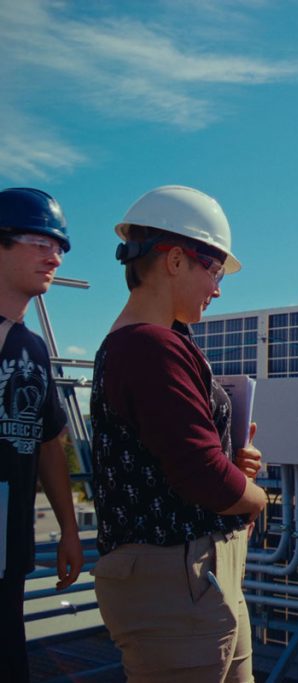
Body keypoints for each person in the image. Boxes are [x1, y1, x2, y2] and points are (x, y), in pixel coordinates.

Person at [90, 185, 267, 683]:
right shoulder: (149, 347)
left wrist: (234, 468)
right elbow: (200, 475)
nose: (217, 288)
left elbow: (185, 460)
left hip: (197, 579)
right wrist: (255, 498)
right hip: (176, 584)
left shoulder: (157, 343)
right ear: (173, 261)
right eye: (213, 269)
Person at [0, 187, 84, 682]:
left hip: (9, 557)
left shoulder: (32, 347)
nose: (53, 255)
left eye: (60, 246)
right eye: (39, 241)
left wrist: (69, 529)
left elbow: (50, 440)